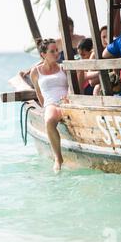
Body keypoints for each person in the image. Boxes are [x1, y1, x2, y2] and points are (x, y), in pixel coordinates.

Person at [29, 38, 69, 172]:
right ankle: (58, 158)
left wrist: (68, 97)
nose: (56, 53)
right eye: (52, 51)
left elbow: (71, 87)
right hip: (51, 103)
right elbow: (38, 93)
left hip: (66, 103)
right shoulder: (35, 71)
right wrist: (45, 106)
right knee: (49, 120)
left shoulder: (63, 67)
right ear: (43, 54)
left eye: (57, 50)